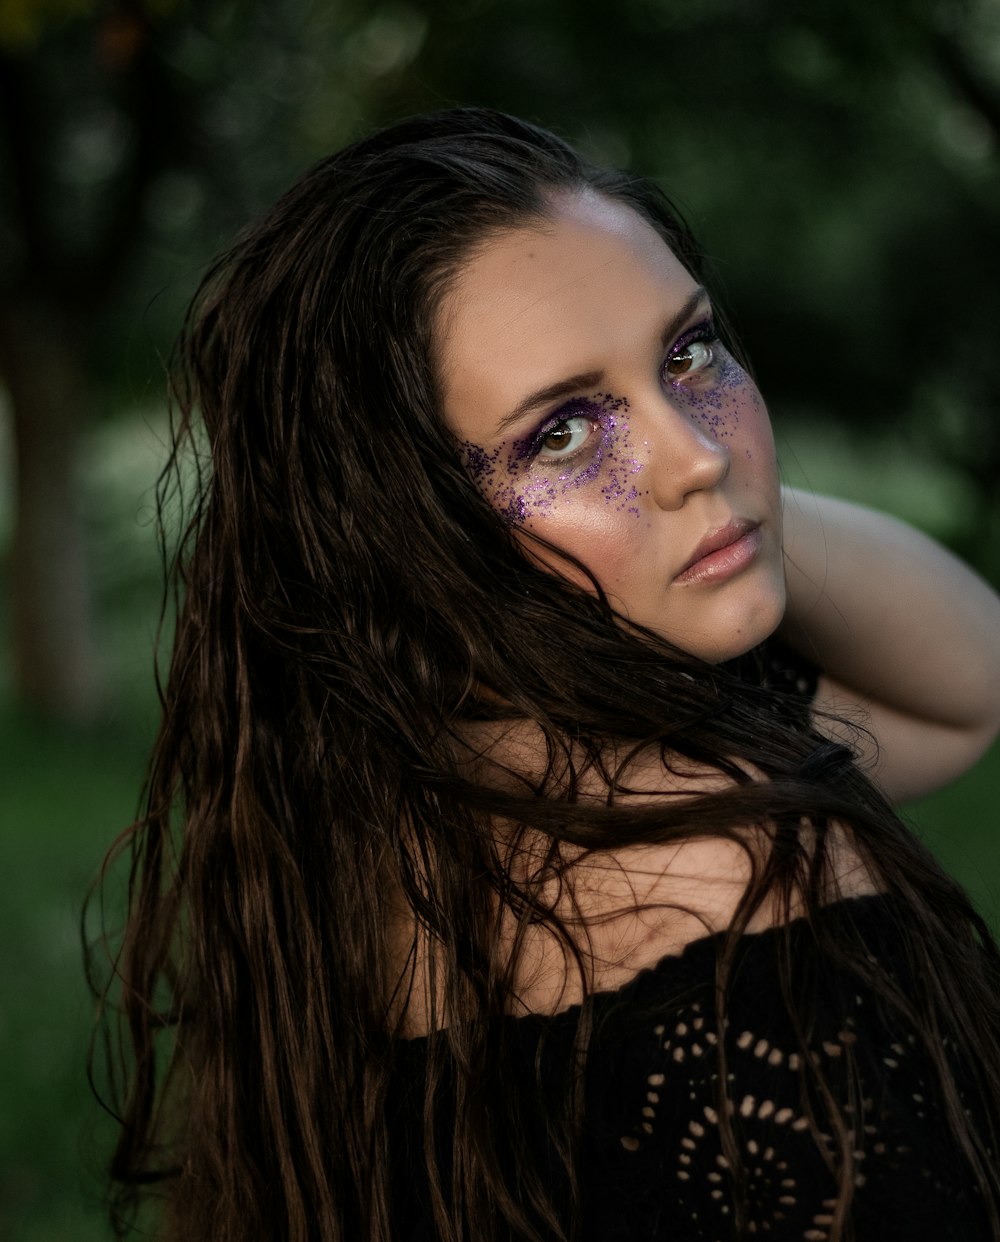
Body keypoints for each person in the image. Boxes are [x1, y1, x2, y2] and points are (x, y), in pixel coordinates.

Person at [92, 108, 1000, 1241]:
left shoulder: (347, 836)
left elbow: (966, 681)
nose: (697, 451)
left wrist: (718, 513)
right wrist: (704, 504)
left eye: (689, 351)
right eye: (563, 434)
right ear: (410, 524)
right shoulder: (735, 870)